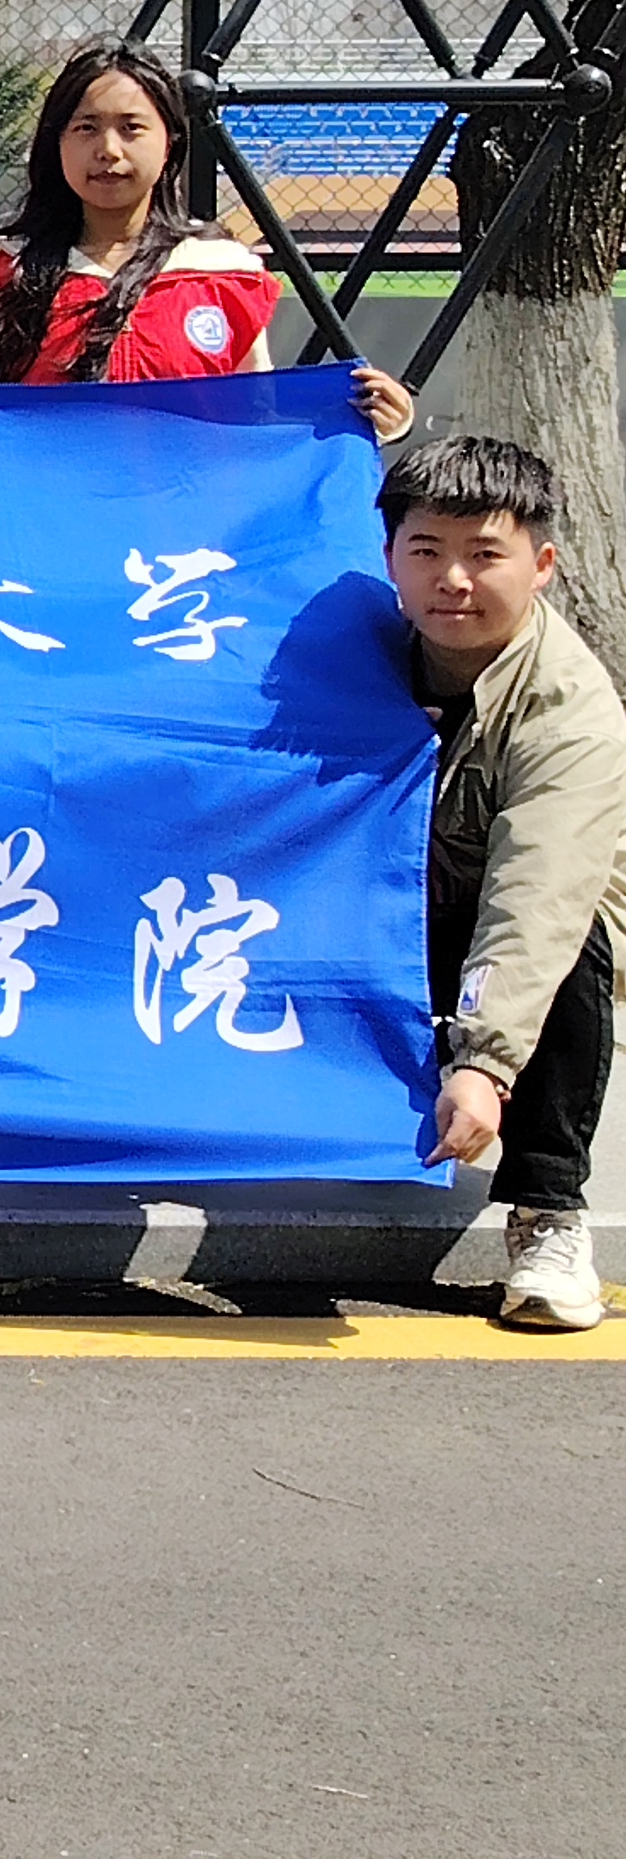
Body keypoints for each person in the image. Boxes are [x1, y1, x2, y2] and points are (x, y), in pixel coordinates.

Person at [387, 433, 626, 1329]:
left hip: (514, 925)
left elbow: (536, 896)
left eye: (485, 555)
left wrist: (485, 1062)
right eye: (427, 551)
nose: (453, 580)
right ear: (389, 559)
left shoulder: (570, 711)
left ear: (543, 566)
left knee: (575, 950)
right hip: (390, 902)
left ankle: (548, 1212)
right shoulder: (349, 643)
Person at [0, 41, 415, 438]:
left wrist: (368, 422)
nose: (108, 149)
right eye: (86, 128)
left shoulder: (224, 271)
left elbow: (257, 421)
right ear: (58, 143)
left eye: (131, 128)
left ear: (169, 140)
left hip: (186, 514)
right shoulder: (7, 267)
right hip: (53, 511)